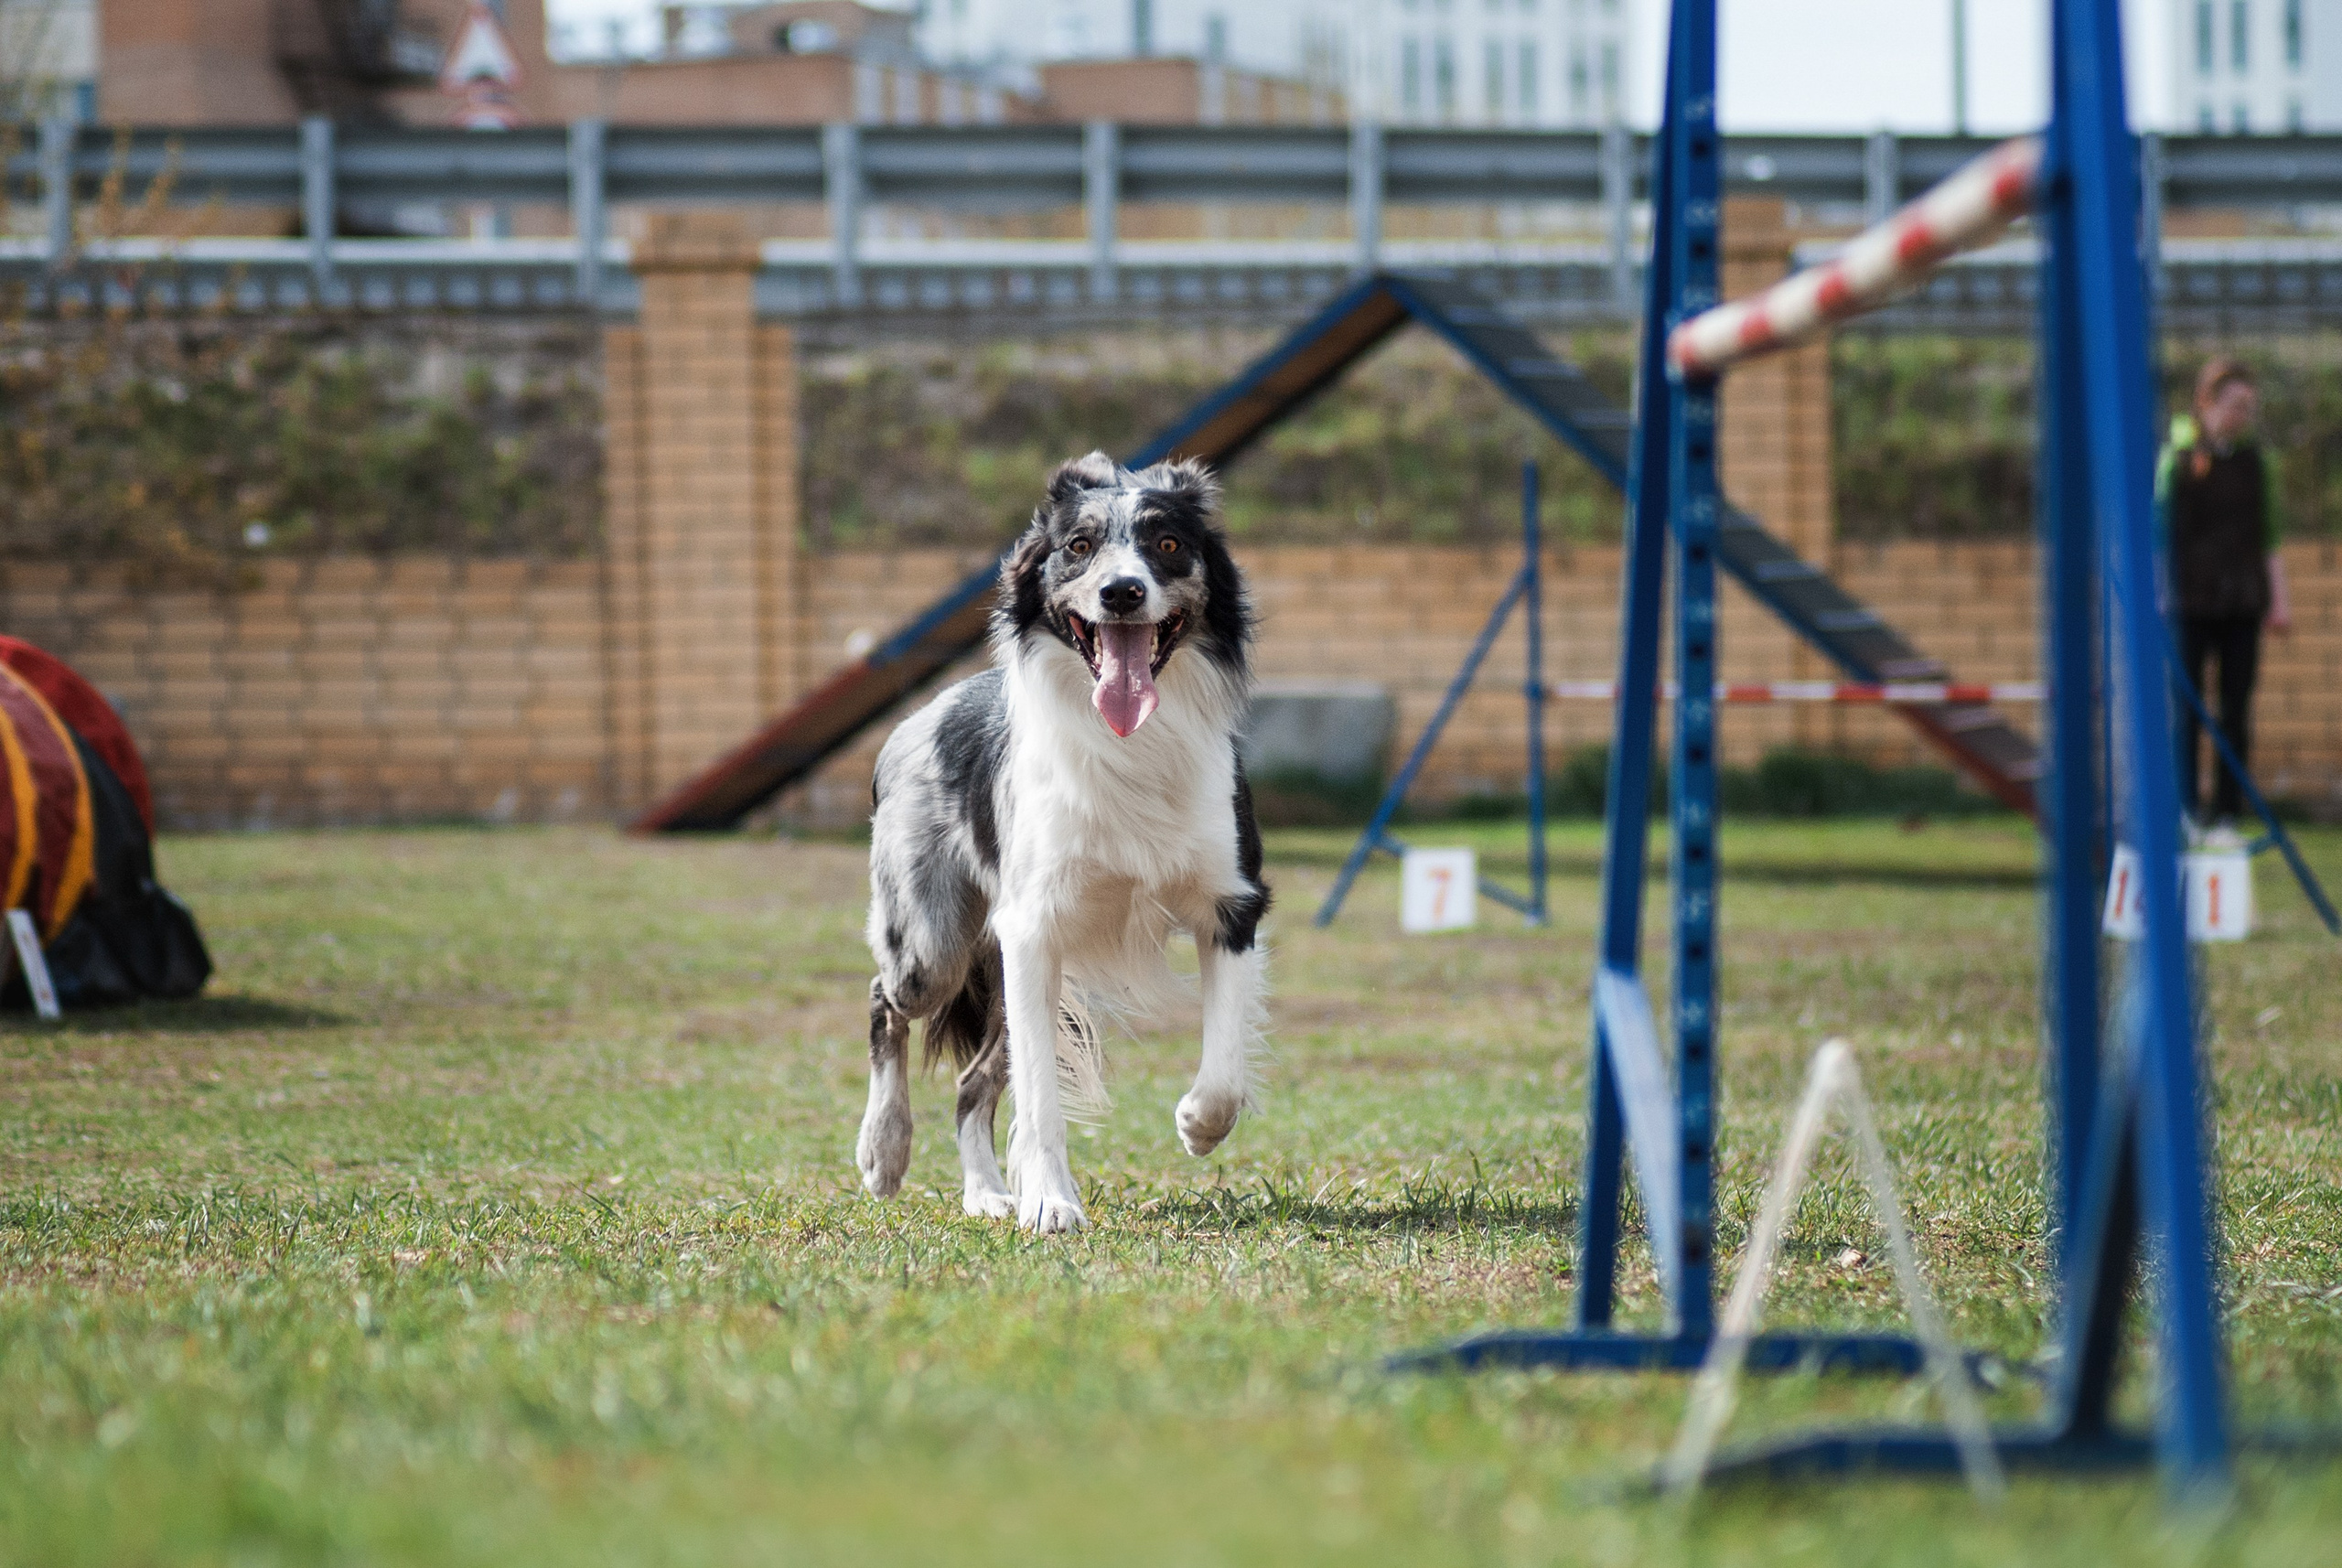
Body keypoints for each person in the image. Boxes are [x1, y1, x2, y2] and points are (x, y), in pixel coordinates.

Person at [2158, 356, 2293, 837]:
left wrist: (2281, 600)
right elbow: (2158, 532)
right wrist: (2157, 592)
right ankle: (2185, 809)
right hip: (2187, 604)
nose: (2242, 416)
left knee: (2236, 710)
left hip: (2242, 602)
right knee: (2186, 710)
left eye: (2249, 408)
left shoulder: (2257, 463)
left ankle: (2227, 814)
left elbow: (2269, 537)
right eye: (2235, 405)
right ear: (2207, 403)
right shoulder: (2176, 459)